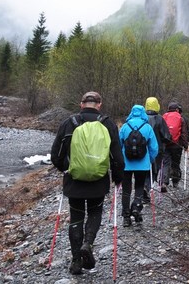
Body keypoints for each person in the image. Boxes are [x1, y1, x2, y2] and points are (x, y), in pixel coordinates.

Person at [50, 91, 124, 275]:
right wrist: (117, 177)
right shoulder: (107, 123)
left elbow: (55, 155)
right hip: (98, 180)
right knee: (95, 212)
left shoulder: (69, 123)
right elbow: (116, 156)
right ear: (99, 104)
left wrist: (65, 170)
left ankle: (76, 261)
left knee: (76, 217)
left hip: (74, 181)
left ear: (81, 104)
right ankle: (88, 243)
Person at [118, 104, 158, 227]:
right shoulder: (147, 127)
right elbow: (154, 148)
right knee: (139, 186)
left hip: (126, 164)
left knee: (126, 189)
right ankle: (136, 207)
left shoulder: (125, 127)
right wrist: (150, 159)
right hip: (143, 164)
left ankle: (126, 217)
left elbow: (118, 146)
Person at [143, 96, 172, 197]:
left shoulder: (142, 118)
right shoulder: (160, 119)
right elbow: (166, 136)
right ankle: (147, 187)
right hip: (157, 149)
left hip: (142, 149)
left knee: (144, 169)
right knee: (155, 169)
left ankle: (144, 187)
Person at [161, 101, 189, 189]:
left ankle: (164, 182)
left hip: (166, 144)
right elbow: (184, 133)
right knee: (176, 163)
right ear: (177, 109)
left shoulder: (164, 117)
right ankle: (175, 182)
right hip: (177, 145)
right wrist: (186, 145)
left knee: (166, 163)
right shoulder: (180, 118)